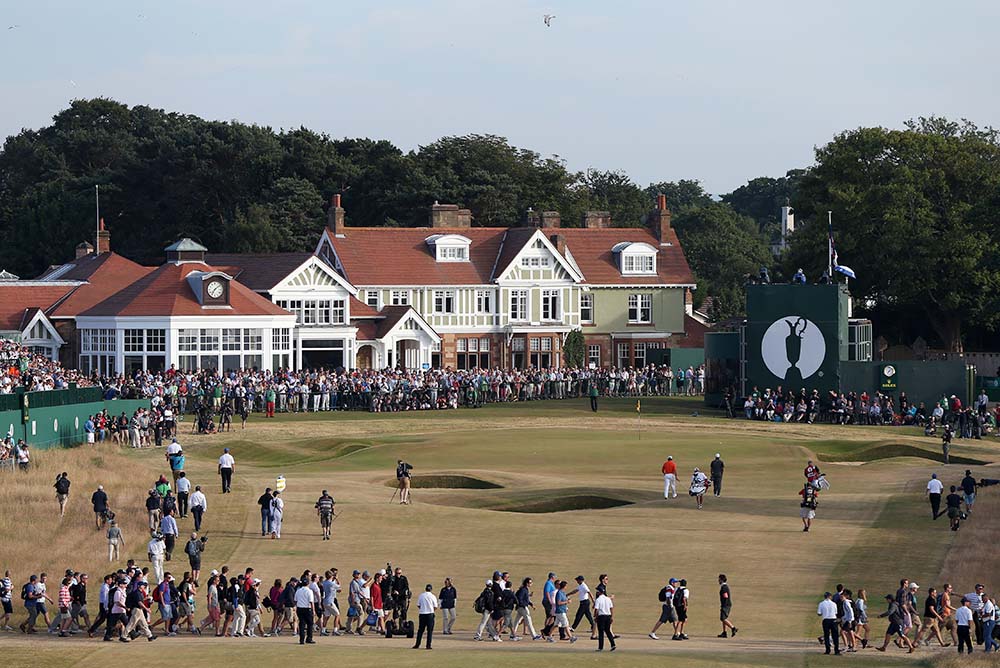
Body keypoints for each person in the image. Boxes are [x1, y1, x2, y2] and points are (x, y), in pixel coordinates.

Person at [413, 583, 437, 649]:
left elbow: (418, 605)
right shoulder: (433, 596)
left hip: (422, 614)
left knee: (420, 630)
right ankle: (428, 645)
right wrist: (431, 610)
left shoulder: (421, 595)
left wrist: (423, 609)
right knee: (429, 631)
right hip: (430, 614)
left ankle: (417, 644)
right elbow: (435, 606)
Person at [594, 586, 615, 651]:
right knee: (608, 631)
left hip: (601, 617)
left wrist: (595, 616)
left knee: (601, 632)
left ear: (599, 592)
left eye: (597, 591)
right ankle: (613, 644)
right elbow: (611, 608)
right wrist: (611, 617)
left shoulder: (598, 599)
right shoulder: (608, 599)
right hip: (608, 616)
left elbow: (596, 609)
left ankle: (600, 647)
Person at [295, 578, 316, 644]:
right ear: (308, 583)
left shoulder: (298, 591)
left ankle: (301, 640)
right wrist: (313, 610)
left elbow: (295, 600)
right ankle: (309, 638)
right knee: (310, 624)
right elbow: (311, 602)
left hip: (300, 608)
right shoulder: (309, 591)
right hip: (307, 609)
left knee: (302, 624)